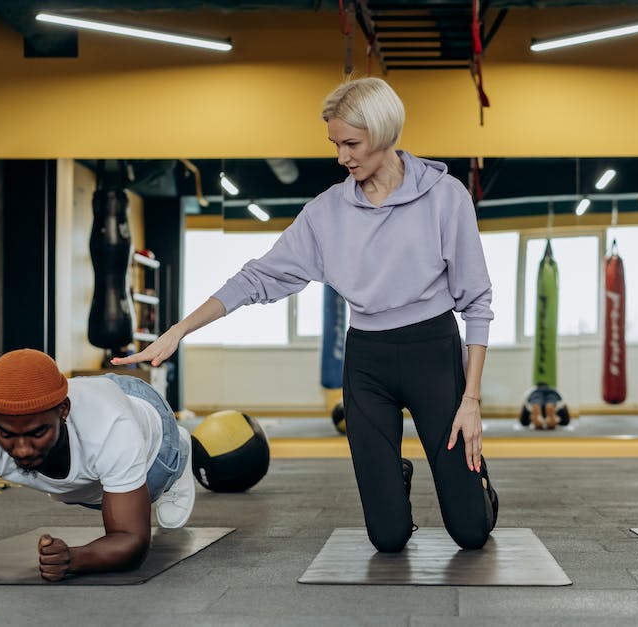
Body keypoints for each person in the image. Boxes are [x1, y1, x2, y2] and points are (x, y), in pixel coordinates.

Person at [114, 76, 498, 553]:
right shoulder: (326, 213)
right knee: (389, 538)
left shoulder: (446, 197)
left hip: (434, 353)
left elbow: (477, 303)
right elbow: (256, 277)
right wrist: (180, 329)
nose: (342, 157)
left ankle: (476, 491)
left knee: (471, 533)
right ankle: (392, 479)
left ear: (382, 133)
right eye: (336, 144)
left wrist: (471, 400)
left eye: (351, 143)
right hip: (369, 359)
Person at [0, 349, 195, 582]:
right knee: (85, 492)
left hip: (149, 425)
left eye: (37, 433)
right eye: (7, 435)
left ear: (63, 411)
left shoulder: (113, 429)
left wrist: (76, 558)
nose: (22, 449)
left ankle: (180, 453)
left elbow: (132, 539)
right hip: (85, 412)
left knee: (148, 487)